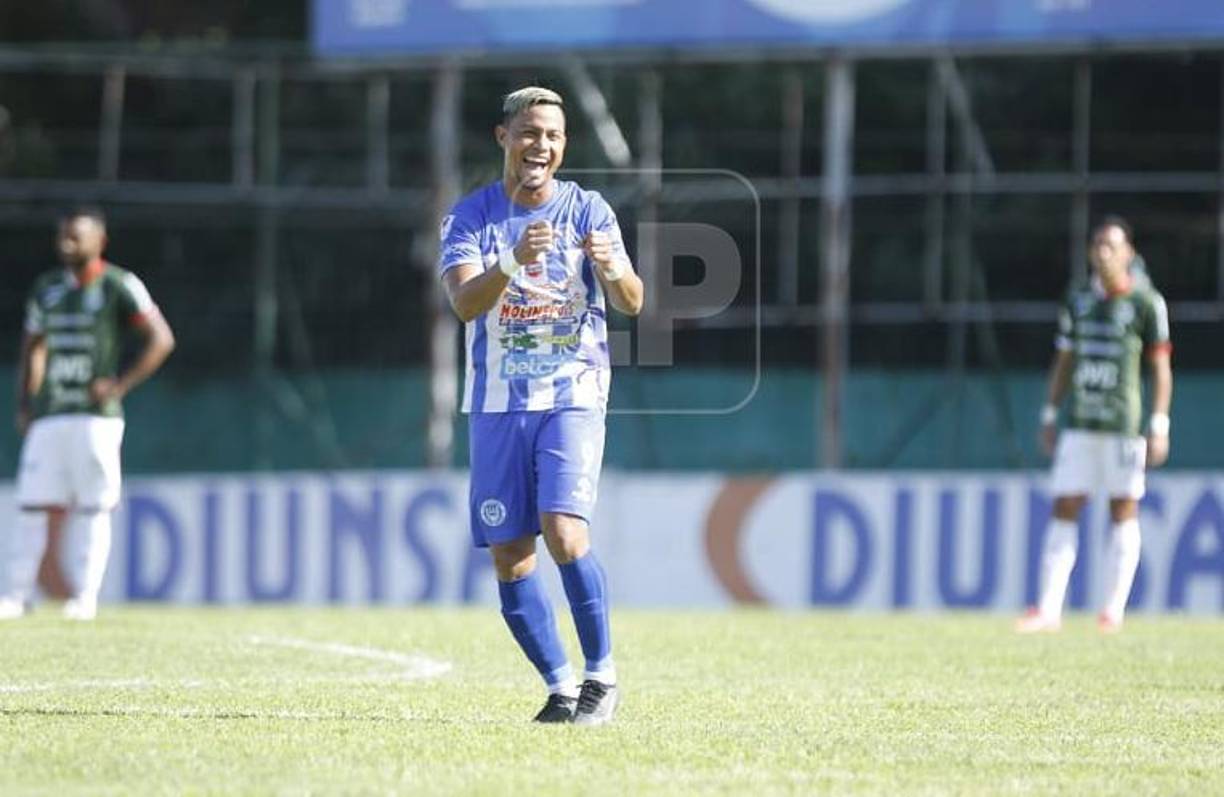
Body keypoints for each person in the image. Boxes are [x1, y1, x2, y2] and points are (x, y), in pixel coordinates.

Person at [438, 87, 644, 724]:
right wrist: (511, 259)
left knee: (564, 531)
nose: (541, 146)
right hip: (497, 404)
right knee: (511, 556)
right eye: (529, 132)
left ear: (564, 146)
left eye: (552, 136)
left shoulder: (589, 209)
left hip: (572, 393)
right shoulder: (470, 217)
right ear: (504, 137)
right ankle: (560, 687)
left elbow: (633, 301)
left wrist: (612, 271)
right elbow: (464, 303)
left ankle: (601, 677)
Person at [0, 207, 175, 621]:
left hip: (96, 418)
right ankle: (16, 595)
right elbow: (33, 347)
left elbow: (161, 339)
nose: (67, 243)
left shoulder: (119, 284)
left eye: (76, 236)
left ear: (100, 241)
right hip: (51, 414)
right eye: (63, 235)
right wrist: (26, 402)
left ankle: (85, 597)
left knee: (94, 506)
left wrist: (120, 385)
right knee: (33, 504)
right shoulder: (46, 288)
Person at [1018, 216, 1172, 634]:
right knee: (1065, 504)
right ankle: (1048, 610)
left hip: (1123, 427)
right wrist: (1050, 414)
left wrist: (1159, 423)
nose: (1103, 253)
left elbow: (1160, 368)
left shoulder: (1146, 303)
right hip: (1080, 423)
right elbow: (1064, 361)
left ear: (1128, 253)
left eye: (1112, 246)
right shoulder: (1079, 300)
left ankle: (1111, 612)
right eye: (1098, 245)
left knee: (1123, 508)